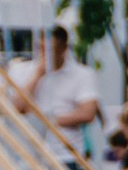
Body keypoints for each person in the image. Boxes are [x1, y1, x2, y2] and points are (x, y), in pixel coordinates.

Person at [9, 26, 104, 155]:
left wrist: (47, 121)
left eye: (50, 50)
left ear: (63, 48)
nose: (43, 55)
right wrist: (37, 76)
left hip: (67, 152)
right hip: (29, 153)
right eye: (40, 49)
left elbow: (87, 113)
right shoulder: (21, 70)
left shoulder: (82, 74)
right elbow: (15, 107)